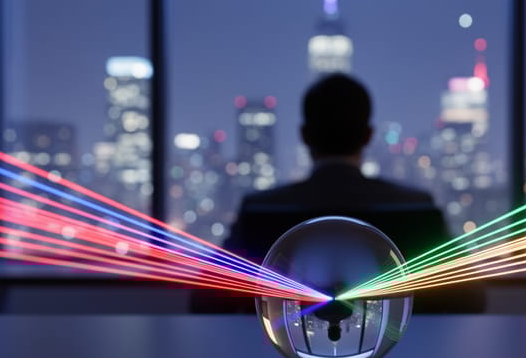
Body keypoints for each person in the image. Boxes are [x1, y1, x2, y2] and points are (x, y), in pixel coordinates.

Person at [192, 74, 483, 313]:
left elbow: (205, 299)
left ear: (304, 135)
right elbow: (469, 298)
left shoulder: (259, 210)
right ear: (368, 135)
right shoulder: (416, 207)